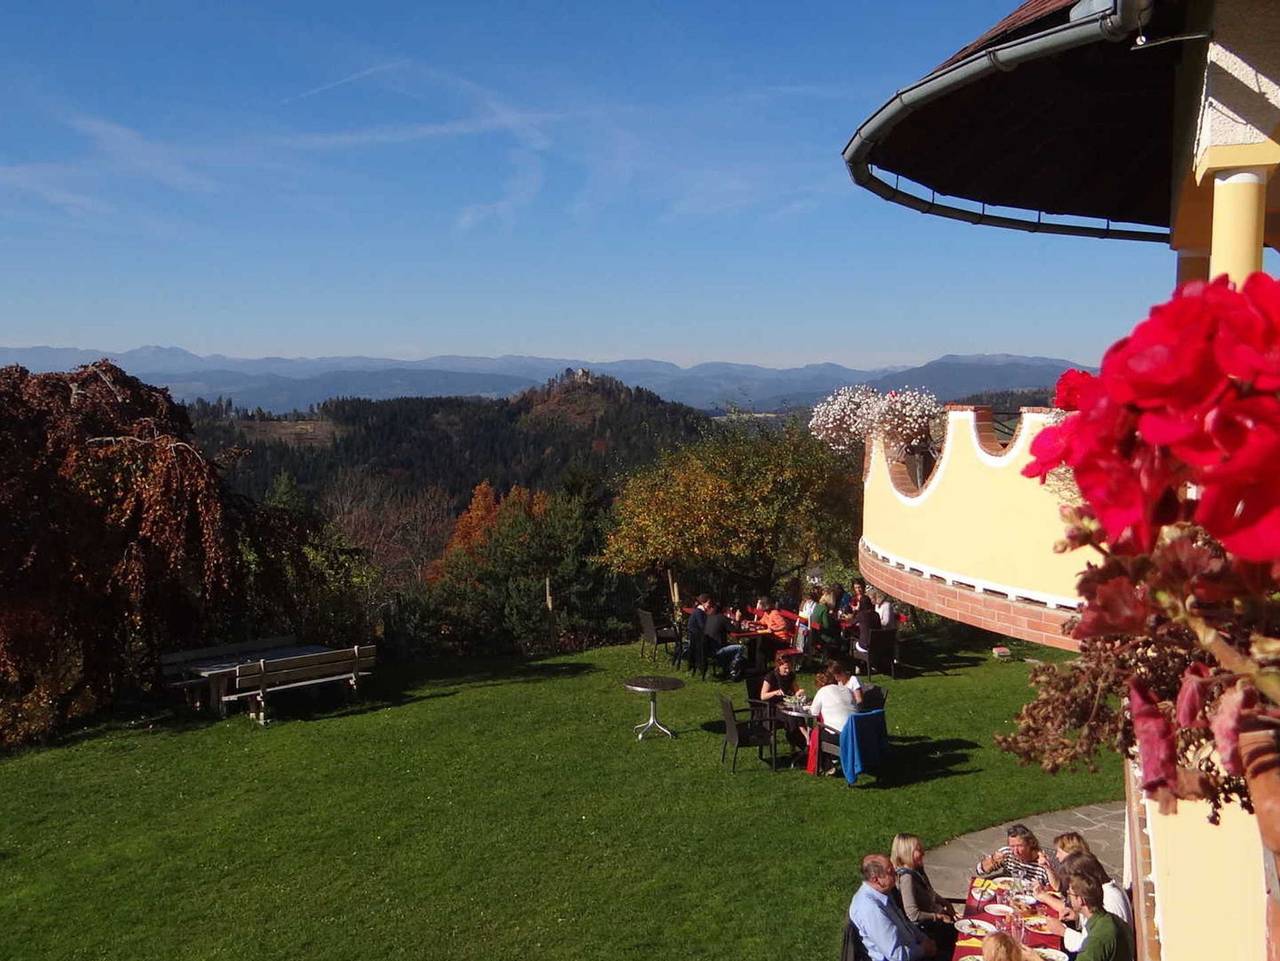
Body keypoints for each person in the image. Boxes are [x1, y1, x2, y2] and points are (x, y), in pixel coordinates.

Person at [1037, 853, 1132, 953]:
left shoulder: (1109, 900)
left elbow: (1096, 947)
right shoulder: (1107, 889)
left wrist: (1063, 932)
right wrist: (1077, 916)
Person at [849, 853, 936, 961]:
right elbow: (896, 956)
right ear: (875, 880)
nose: (896, 874)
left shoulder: (884, 893)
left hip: (915, 948)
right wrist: (923, 950)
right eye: (890, 872)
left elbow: (906, 924)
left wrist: (925, 940)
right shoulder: (871, 909)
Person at [890, 833, 956, 959]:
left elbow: (929, 893)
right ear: (906, 852)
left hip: (937, 924)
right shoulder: (906, 878)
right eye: (918, 850)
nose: (923, 852)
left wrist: (945, 902)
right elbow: (912, 914)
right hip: (927, 931)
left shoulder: (917, 870)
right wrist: (938, 916)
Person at [1064, 873, 1132, 961]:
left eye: (1070, 894)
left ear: (1080, 900)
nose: (1069, 898)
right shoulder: (1114, 920)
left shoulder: (1096, 941)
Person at [975, 824, 1051, 886]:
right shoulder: (1007, 853)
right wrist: (993, 859)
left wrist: (1047, 868)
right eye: (1012, 846)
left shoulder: (1042, 861)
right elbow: (979, 870)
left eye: (1020, 846)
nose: (1015, 851)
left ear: (1030, 843)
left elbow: (1054, 890)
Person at [759, 652, 806, 751]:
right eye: (785, 668)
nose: (788, 670)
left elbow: (796, 690)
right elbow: (763, 696)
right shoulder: (771, 677)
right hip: (772, 707)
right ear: (779, 666)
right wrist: (775, 692)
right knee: (792, 718)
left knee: (797, 714)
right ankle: (802, 742)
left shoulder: (790, 676)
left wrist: (799, 692)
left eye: (789, 668)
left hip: (785, 705)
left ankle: (801, 742)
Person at [702, 601, 745, 678]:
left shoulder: (709, 617)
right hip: (718, 651)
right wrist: (738, 619)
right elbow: (736, 631)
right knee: (740, 647)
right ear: (723, 609)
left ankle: (727, 668)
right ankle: (733, 670)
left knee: (730, 645)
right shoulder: (722, 618)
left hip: (708, 649)